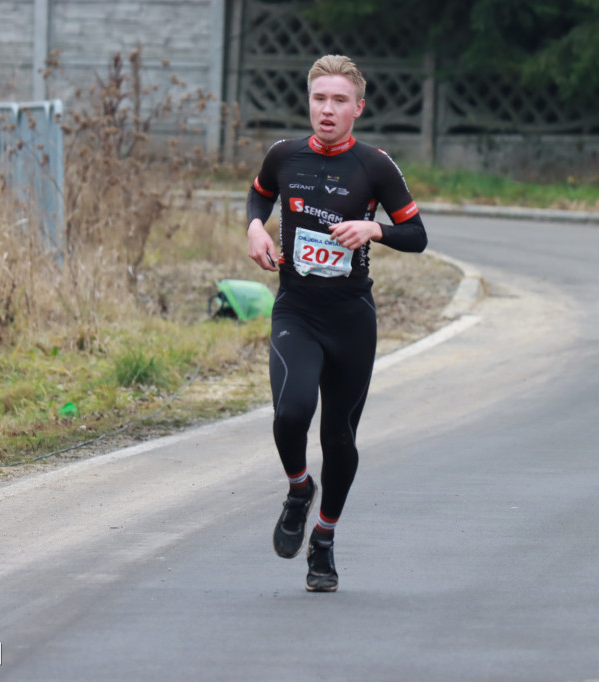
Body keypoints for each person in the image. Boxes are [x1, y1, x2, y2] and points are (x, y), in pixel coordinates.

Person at [246, 55, 428, 592]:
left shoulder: (374, 166)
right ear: (309, 103)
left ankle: (323, 540)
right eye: (319, 99)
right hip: (296, 310)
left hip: (351, 317)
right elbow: (260, 191)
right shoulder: (284, 156)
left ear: (358, 108)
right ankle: (299, 489)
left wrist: (373, 232)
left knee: (339, 438)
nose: (328, 110)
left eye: (339, 101)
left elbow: (416, 234)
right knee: (290, 414)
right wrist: (256, 226)